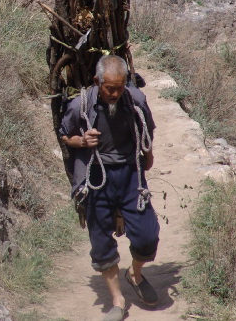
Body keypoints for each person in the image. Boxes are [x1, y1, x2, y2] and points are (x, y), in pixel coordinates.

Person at [59, 55, 160, 321]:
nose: (115, 93)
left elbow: (147, 130)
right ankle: (117, 299)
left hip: (129, 174)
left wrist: (147, 157)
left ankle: (135, 274)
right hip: (96, 176)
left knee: (147, 235)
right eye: (109, 88)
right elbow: (64, 135)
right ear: (97, 82)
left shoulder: (135, 99)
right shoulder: (79, 105)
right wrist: (81, 140)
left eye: (120, 86)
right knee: (101, 241)